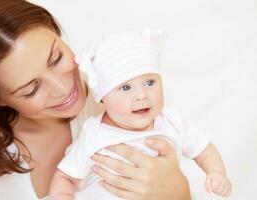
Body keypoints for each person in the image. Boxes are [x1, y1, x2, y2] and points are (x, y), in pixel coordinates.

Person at [0, 0, 191, 199]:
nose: (63, 88)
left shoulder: (125, 96)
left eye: (56, 58)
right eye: (31, 89)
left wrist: (179, 194)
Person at [49, 31, 232, 200]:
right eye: (126, 87)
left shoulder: (171, 119)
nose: (142, 95)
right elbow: (65, 176)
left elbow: (204, 149)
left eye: (150, 82)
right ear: (103, 98)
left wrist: (216, 172)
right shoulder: (93, 134)